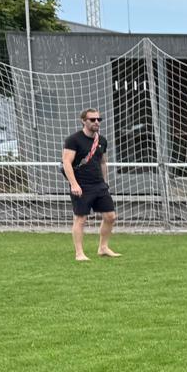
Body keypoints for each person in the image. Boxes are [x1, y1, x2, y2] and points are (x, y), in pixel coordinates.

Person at [62, 108, 122, 261]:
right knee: (80, 219)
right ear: (83, 121)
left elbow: (102, 162)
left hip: (99, 185)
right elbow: (66, 163)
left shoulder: (102, 140)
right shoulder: (73, 140)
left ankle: (103, 247)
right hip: (81, 184)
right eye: (92, 119)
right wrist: (74, 184)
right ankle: (79, 253)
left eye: (98, 119)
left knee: (110, 216)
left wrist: (104, 182)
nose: (96, 122)